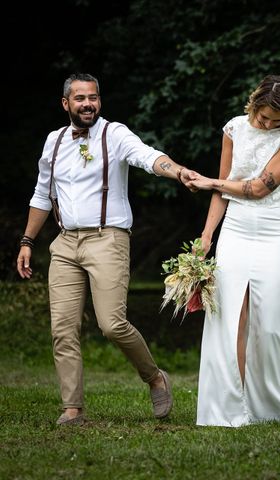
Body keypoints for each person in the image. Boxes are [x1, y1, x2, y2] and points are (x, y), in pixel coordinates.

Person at [16, 73, 198, 425]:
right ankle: (72, 408)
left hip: (107, 238)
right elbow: (41, 195)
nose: (88, 104)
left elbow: (147, 157)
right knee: (62, 328)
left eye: (94, 97)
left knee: (112, 324)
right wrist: (27, 240)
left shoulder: (114, 134)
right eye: (80, 98)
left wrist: (177, 172)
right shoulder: (53, 142)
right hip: (65, 242)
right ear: (65, 103)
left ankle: (155, 377)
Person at [187, 74, 280, 427]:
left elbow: (258, 188)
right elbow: (225, 191)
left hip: (274, 230)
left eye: (273, 120)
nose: (265, 124)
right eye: (262, 117)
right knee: (230, 315)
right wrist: (206, 236)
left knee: (272, 320)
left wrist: (209, 182)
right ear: (253, 104)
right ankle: (232, 408)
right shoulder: (234, 128)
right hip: (235, 230)